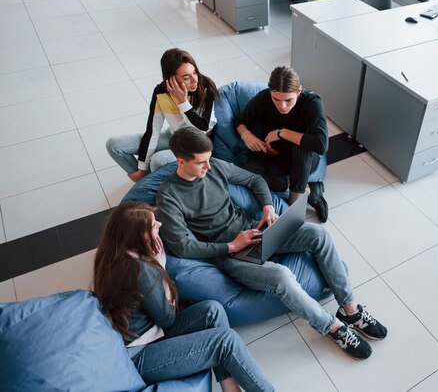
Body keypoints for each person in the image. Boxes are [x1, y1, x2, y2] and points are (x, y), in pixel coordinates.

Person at [156, 127, 388, 361]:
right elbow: (182, 247)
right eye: (201, 163)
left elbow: (255, 179)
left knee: (319, 234)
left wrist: (267, 206)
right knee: (281, 275)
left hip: (256, 229)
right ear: (181, 161)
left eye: (208, 160)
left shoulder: (214, 166)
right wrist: (232, 247)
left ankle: (350, 309)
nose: (208, 167)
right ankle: (332, 327)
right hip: (230, 255)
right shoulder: (168, 196)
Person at [92, 201, 274, 391]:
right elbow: (168, 318)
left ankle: (229, 386)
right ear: (139, 236)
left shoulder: (112, 255)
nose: (160, 225)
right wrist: (160, 266)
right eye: (154, 226)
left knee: (212, 309)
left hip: (149, 334)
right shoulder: (140, 270)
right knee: (225, 341)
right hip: (139, 355)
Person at [106, 48, 219, 182]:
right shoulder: (161, 92)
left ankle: (154, 185)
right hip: (173, 136)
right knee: (114, 145)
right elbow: (153, 131)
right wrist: (142, 168)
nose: (195, 80)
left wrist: (183, 101)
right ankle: (146, 183)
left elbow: (201, 128)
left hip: (196, 144)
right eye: (186, 77)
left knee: (157, 160)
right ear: (172, 79)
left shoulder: (205, 87)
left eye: (195, 72)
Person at [235, 66, 329, 222]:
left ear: (299, 91)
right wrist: (246, 135)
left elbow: (321, 144)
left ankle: (294, 209)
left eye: (288, 100)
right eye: (276, 99)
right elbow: (240, 120)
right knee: (248, 171)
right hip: (275, 158)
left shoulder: (312, 102)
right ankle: (309, 189)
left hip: (304, 159)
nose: (282, 106)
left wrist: (282, 133)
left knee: (302, 149)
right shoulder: (264, 98)